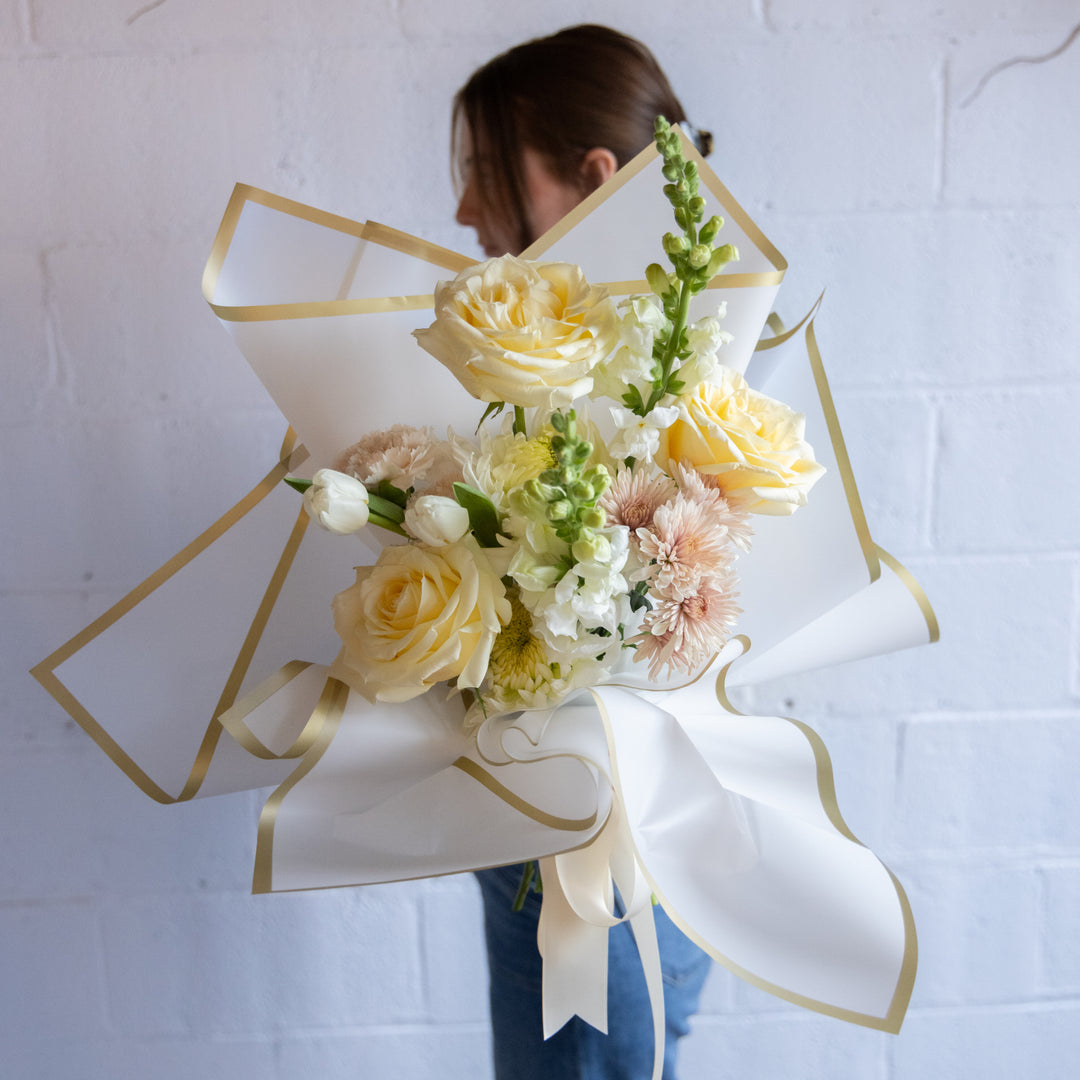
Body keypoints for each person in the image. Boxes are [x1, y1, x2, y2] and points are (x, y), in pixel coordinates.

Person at [451, 25, 714, 1080]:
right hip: (555, 832)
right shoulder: (554, 385)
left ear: (593, 176)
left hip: (603, 854)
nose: (464, 209)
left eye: (480, 171)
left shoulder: (674, 389)